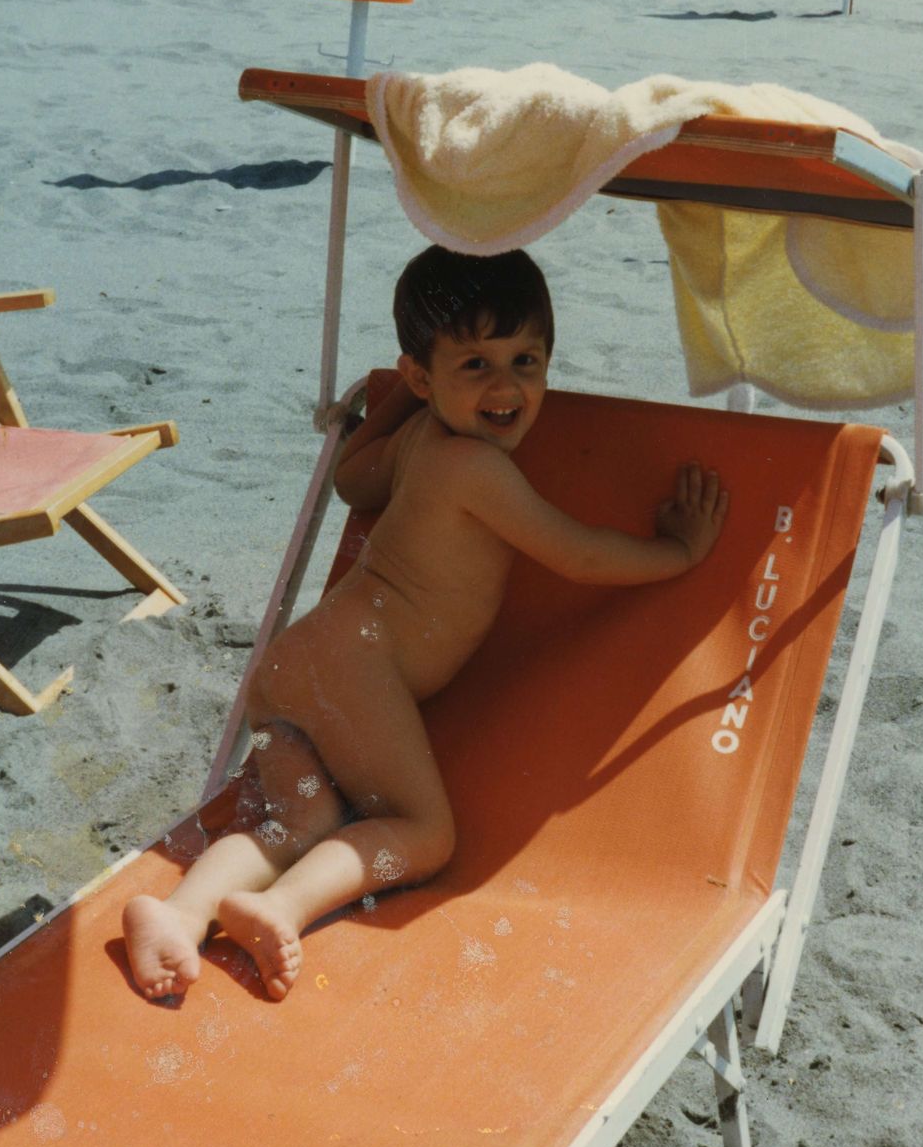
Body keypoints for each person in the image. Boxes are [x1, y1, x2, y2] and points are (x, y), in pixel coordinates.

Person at [123, 245, 728, 1002]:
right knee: (424, 833)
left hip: (293, 666)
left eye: (527, 361)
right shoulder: (476, 469)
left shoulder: (417, 442)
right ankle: (282, 907)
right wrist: (677, 552)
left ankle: (180, 913)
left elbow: (352, 479)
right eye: (474, 365)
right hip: (355, 668)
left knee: (299, 821)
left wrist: (408, 398)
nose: (506, 387)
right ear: (422, 376)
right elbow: (577, 555)